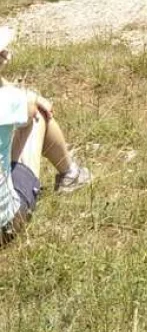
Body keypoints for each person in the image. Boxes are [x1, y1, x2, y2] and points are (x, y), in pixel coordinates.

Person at [0, 27, 91, 245]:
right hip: (4, 227)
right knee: (38, 117)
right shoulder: (8, 101)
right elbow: (34, 109)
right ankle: (71, 174)